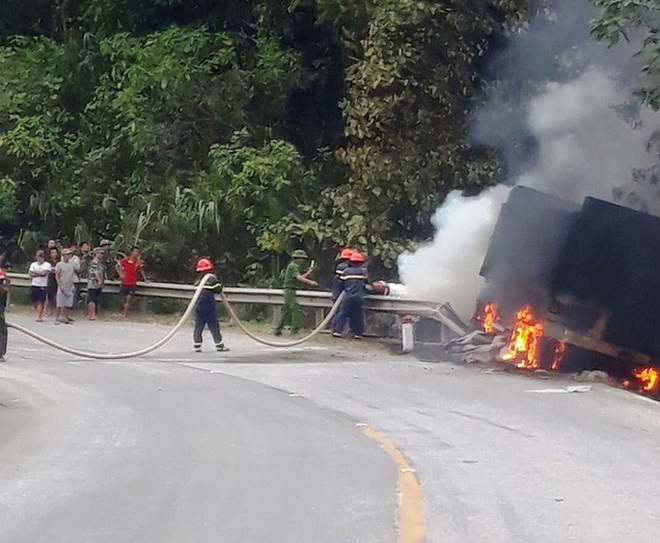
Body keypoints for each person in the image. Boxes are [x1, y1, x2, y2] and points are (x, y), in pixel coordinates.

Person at [275, 249, 318, 336]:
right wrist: (310, 282)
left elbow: (298, 276)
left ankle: (278, 330)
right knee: (296, 309)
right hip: (289, 290)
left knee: (286, 311)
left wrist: (309, 272)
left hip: (290, 290)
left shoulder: (293, 267)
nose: (303, 261)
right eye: (302, 259)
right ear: (298, 259)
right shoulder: (293, 266)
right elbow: (299, 278)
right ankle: (294, 330)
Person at [192, 257, 228, 353]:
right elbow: (218, 289)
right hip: (209, 306)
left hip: (198, 307)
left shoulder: (197, 281)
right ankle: (219, 345)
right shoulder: (212, 279)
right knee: (214, 325)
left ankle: (197, 345)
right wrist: (219, 285)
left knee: (198, 326)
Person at [332, 251, 368, 339]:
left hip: (348, 296)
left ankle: (337, 331)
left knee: (342, 313)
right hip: (359, 297)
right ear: (361, 263)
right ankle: (358, 333)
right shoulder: (363, 272)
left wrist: (337, 295)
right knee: (358, 315)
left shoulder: (346, 271)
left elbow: (341, 284)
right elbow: (366, 284)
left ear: (351, 262)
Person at [116, 246, 148, 317]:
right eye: (135, 251)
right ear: (132, 252)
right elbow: (117, 266)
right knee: (122, 299)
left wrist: (145, 279)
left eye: (138, 252)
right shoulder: (125, 260)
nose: (136, 253)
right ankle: (122, 311)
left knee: (128, 298)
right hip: (124, 282)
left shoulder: (138, 262)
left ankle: (125, 314)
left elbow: (141, 270)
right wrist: (120, 274)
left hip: (132, 283)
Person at [28, 250, 51, 322]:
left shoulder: (47, 265)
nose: (40, 258)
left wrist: (36, 273)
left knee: (40, 301)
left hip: (42, 285)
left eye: (41, 257)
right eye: (38, 256)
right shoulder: (33, 264)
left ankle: (39, 316)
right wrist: (39, 274)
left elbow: (44, 273)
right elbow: (30, 273)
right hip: (34, 284)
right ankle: (37, 312)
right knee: (34, 301)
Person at [55, 248, 76, 324]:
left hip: (70, 284)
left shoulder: (71, 264)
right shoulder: (59, 264)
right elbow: (57, 275)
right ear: (63, 255)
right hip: (62, 284)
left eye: (70, 254)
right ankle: (59, 317)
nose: (69, 256)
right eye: (67, 254)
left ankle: (66, 316)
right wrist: (59, 284)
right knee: (60, 302)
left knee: (68, 302)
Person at [86, 247, 105, 320]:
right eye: (100, 253)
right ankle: (92, 314)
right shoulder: (95, 262)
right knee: (92, 299)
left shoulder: (99, 262)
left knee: (94, 299)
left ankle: (91, 314)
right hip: (93, 283)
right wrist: (99, 280)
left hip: (96, 284)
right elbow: (95, 272)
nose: (101, 255)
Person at [0, 269, 8, 362]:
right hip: (0, 315)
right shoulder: (3, 291)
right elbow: (3, 305)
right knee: (2, 333)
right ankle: (0, 354)